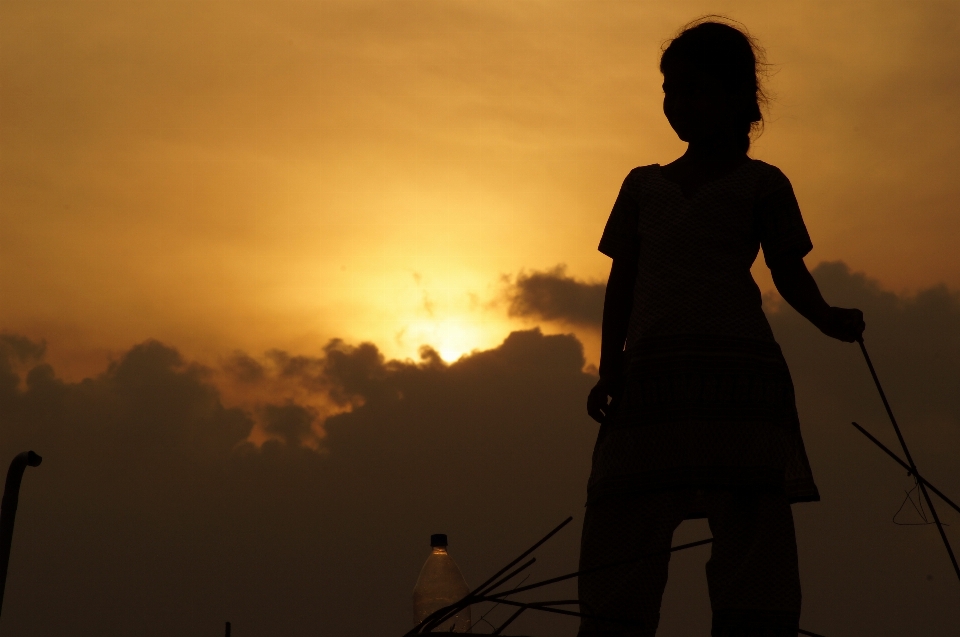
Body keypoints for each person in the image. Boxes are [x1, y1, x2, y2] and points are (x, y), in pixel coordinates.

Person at [578, 18, 865, 637]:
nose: (680, 105)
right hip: (652, 380)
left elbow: (789, 273)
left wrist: (827, 318)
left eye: (697, 90)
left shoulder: (764, 184)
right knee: (623, 519)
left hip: (740, 382)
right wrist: (609, 367)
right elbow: (621, 284)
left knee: (750, 523)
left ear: (740, 99)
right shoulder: (641, 187)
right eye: (671, 90)